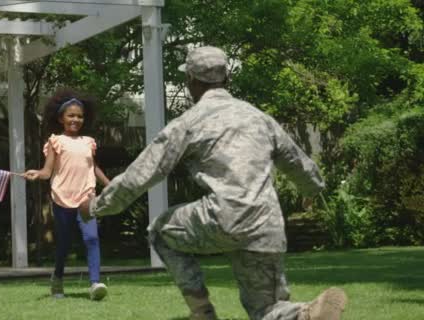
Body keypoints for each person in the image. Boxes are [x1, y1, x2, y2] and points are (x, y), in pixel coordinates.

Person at [79, 46, 348, 319]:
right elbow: (298, 161)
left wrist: (96, 206)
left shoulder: (189, 123)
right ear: (227, 79)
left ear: (191, 82)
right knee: (265, 308)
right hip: (267, 223)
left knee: (160, 232)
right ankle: (303, 315)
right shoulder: (259, 118)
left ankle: (202, 313)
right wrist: (312, 189)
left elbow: (142, 174)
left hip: (223, 217)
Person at [21, 89, 111, 301]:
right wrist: (37, 174)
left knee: (91, 237)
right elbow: (47, 171)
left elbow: (93, 167)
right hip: (62, 198)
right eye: (71, 115)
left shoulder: (89, 142)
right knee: (63, 243)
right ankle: (58, 277)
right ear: (61, 118)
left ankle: (95, 282)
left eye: (79, 116)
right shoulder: (55, 141)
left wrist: (109, 184)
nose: (75, 119)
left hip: (86, 197)